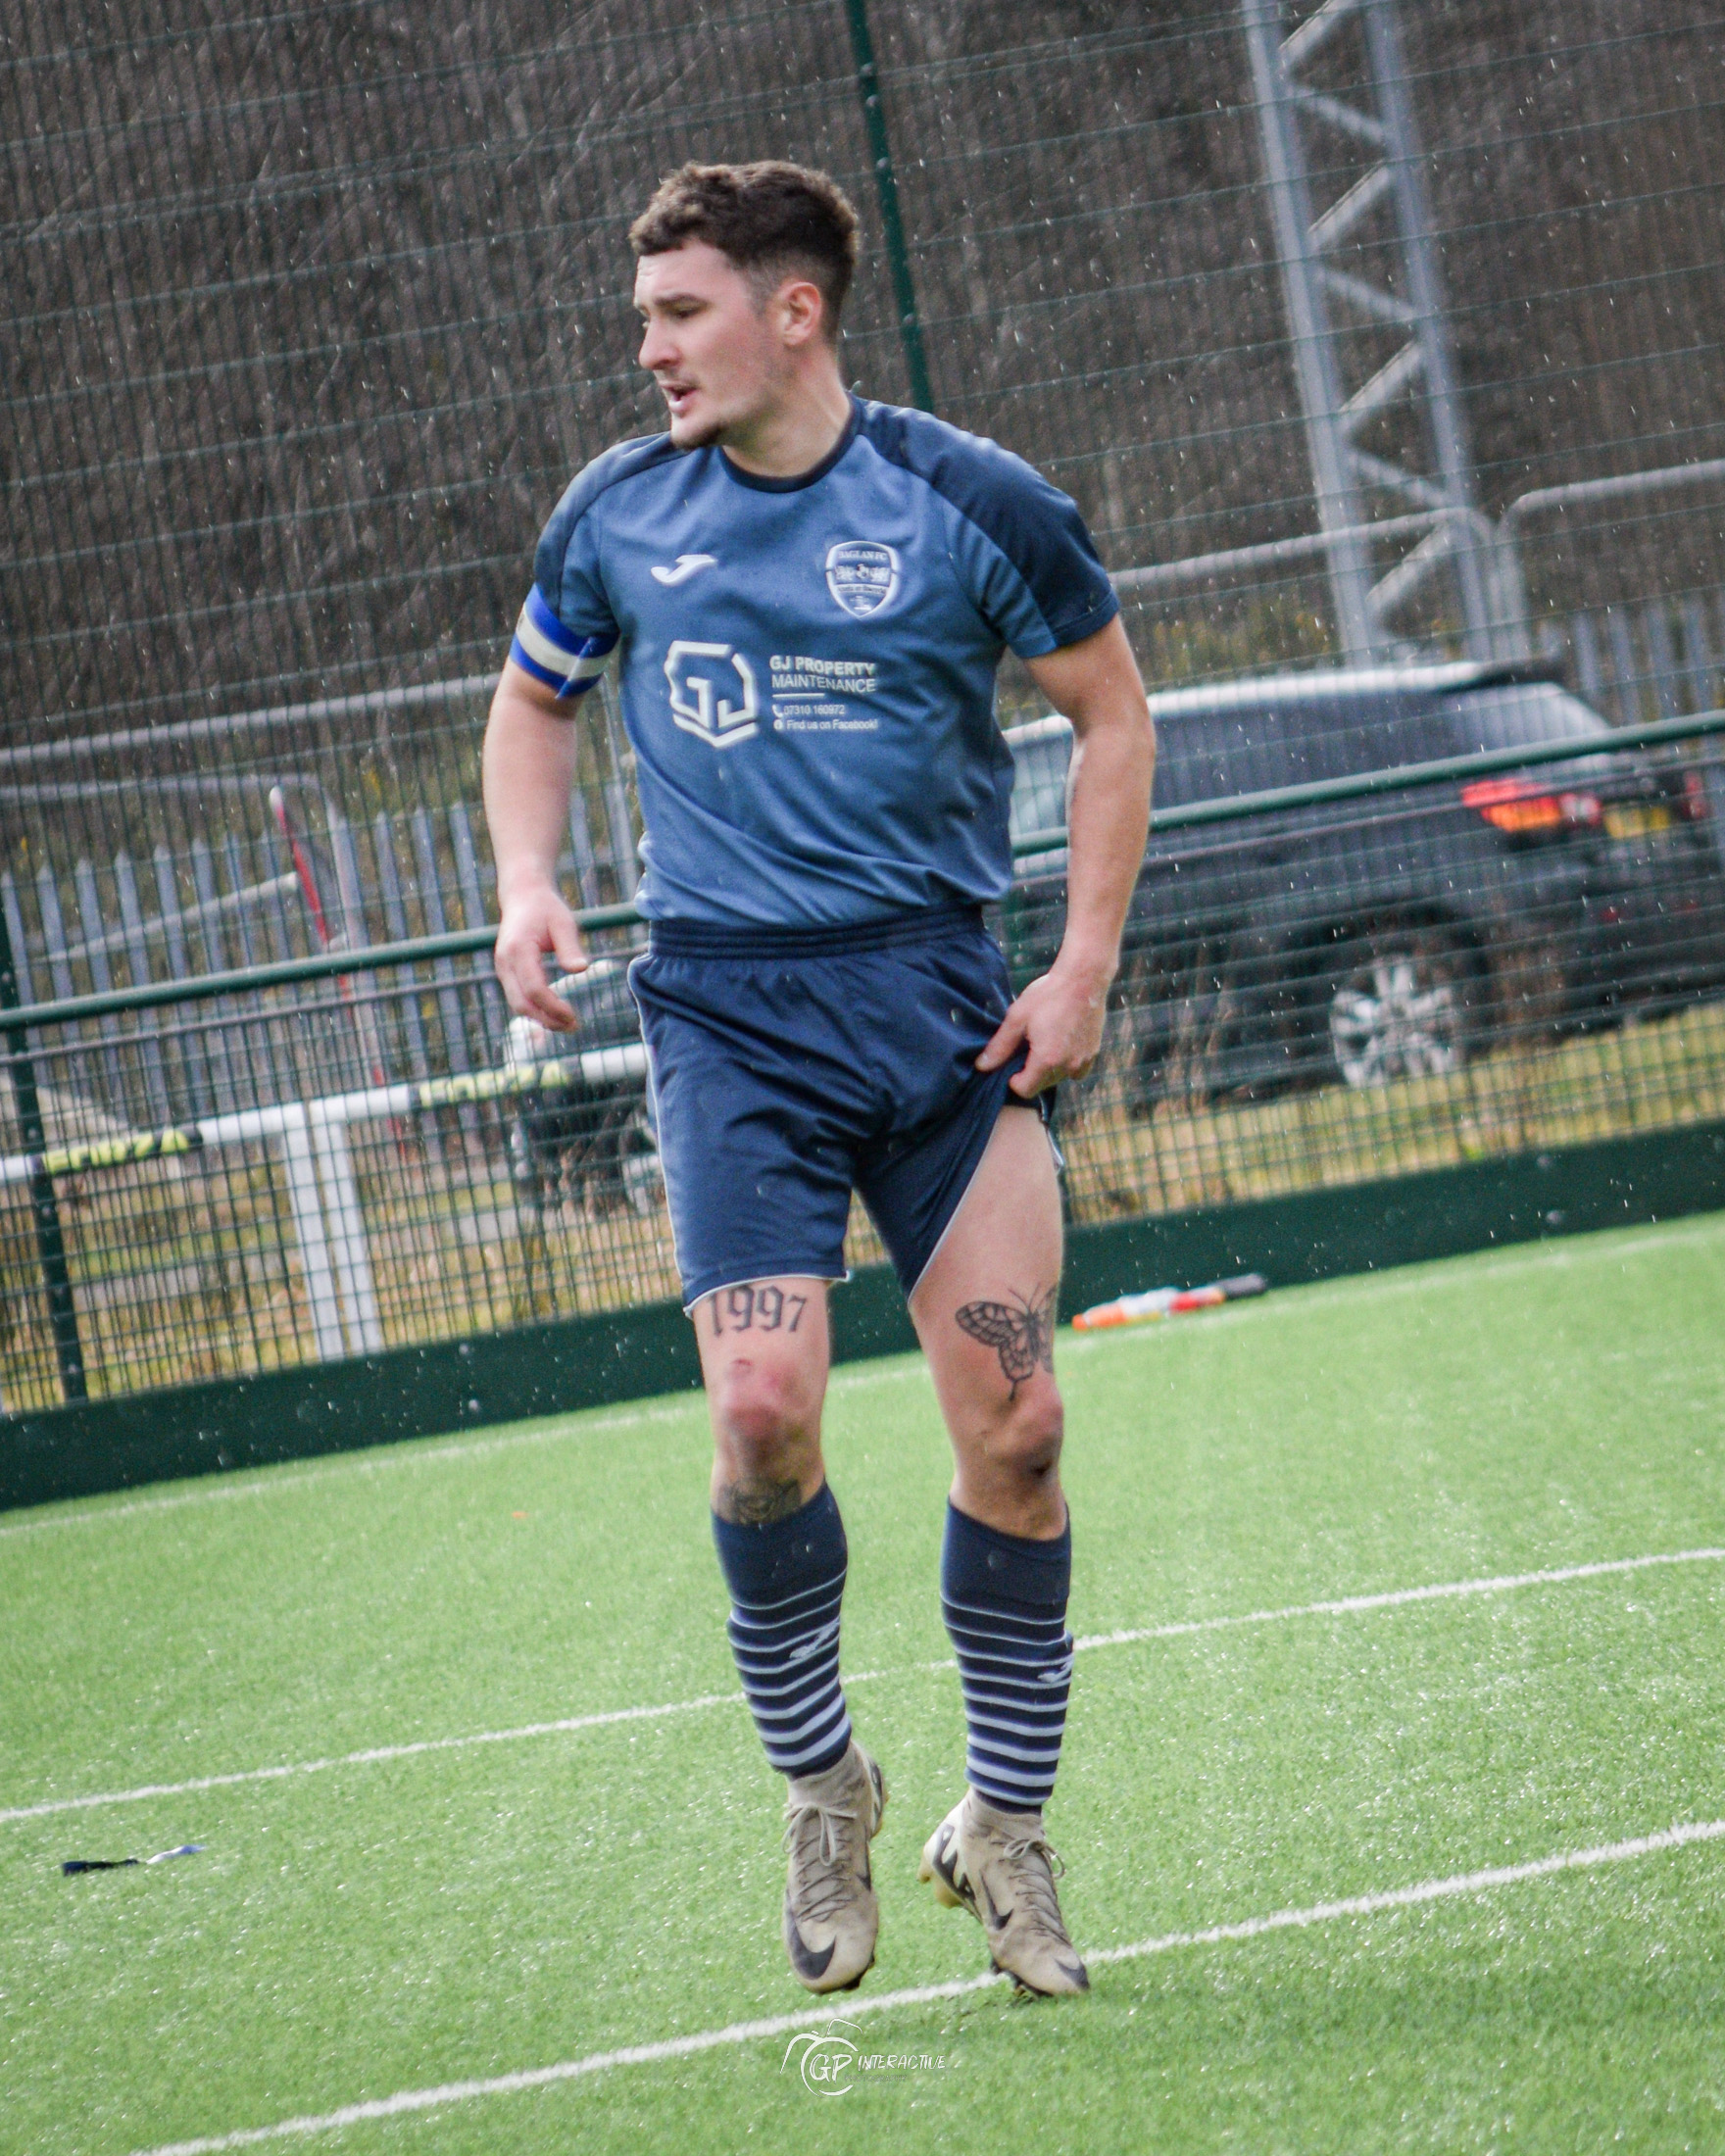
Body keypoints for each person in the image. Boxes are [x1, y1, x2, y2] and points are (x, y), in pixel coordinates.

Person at [484, 160, 1155, 1998]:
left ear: (795, 312)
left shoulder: (969, 498)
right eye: (642, 317)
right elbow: (536, 701)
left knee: (1017, 1429)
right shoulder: (618, 514)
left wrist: (1081, 962)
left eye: (680, 311)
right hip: (731, 1025)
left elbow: (1111, 713)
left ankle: (1002, 1830)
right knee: (764, 1416)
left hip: (942, 1014)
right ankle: (827, 1787)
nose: (650, 351)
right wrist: (530, 885)